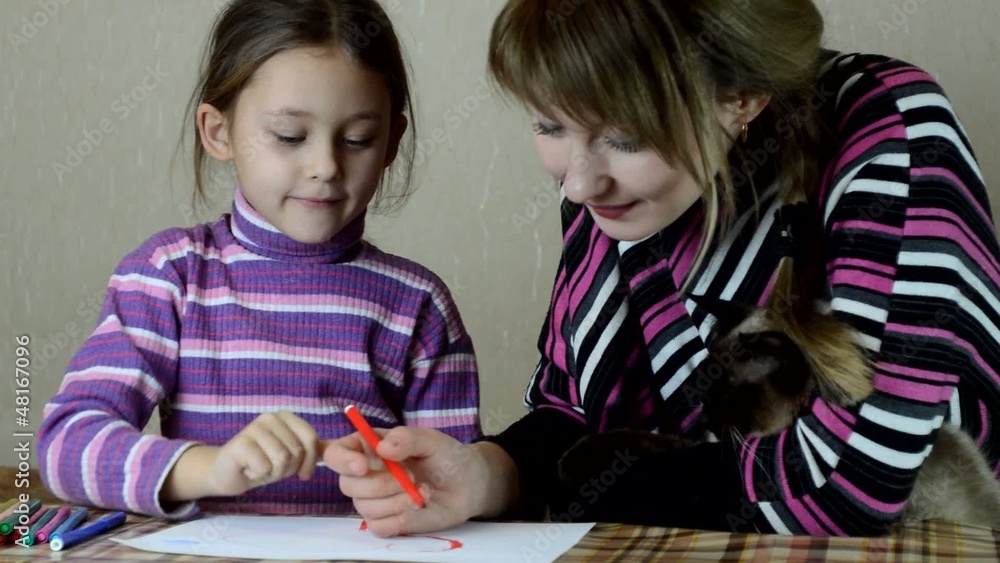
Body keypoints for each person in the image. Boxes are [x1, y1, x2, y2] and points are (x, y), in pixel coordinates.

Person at [324, 0, 1000, 537]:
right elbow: (572, 413)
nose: (581, 185)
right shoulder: (610, 198)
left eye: (625, 137)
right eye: (548, 125)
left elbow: (850, 484)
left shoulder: (891, 131)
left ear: (743, 98)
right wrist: (484, 473)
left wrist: (577, 490)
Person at [37, 0, 480, 519]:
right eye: (289, 137)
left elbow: (456, 491)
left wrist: (410, 492)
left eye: (358, 139)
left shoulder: (417, 305)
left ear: (390, 142)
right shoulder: (169, 276)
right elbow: (65, 446)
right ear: (218, 132)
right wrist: (210, 467)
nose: (325, 166)